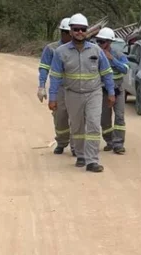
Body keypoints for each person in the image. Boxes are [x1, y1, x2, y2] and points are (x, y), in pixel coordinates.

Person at [47, 13, 115, 173]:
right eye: (75, 29)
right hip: (72, 94)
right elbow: (55, 77)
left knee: (92, 125)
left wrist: (111, 92)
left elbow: (106, 72)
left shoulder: (96, 50)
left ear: (87, 31)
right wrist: (52, 97)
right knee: (77, 127)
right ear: (70, 31)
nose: (79, 32)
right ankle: (80, 155)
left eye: (82, 29)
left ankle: (92, 161)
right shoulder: (60, 52)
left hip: (94, 93)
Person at [38, 17, 74, 155]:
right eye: (64, 32)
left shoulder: (79, 48)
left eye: (68, 32)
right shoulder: (51, 49)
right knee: (60, 117)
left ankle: (76, 146)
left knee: (77, 118)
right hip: (59, 88)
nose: (67, 35)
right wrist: (41, 86)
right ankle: (62, 141)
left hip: (76, 87)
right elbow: (44, 67)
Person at [95, 28, 129, 155]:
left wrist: (112, 59)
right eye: (98, 41)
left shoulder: (118, 54)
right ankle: (109, 141)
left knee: (119, 116)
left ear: (109, 42)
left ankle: (118, 144)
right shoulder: (95, 54)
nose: (99, 44)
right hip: (103, 90)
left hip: (118, 90)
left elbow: (125, 69)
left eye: (102, 42)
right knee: (104, 119)